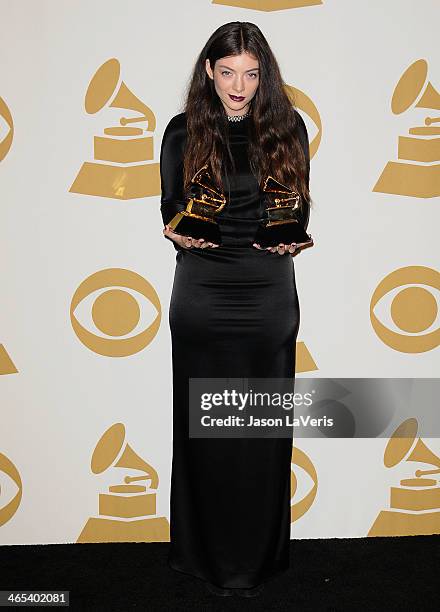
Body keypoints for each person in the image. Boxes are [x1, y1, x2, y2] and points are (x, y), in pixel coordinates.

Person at [159, 21, 312, 598]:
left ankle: (258, 558)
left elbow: (294, 210)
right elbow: (172, 208)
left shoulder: (288, 127)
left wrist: (292, 237)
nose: (239, 85)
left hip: (268, 295)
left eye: (251, 73)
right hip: (202, 294)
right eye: (228, 73)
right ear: (209, 72)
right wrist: (181, 233)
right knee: (204, 431)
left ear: (264, 75)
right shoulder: (182, 132)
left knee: (260, 431)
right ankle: (203, 557)